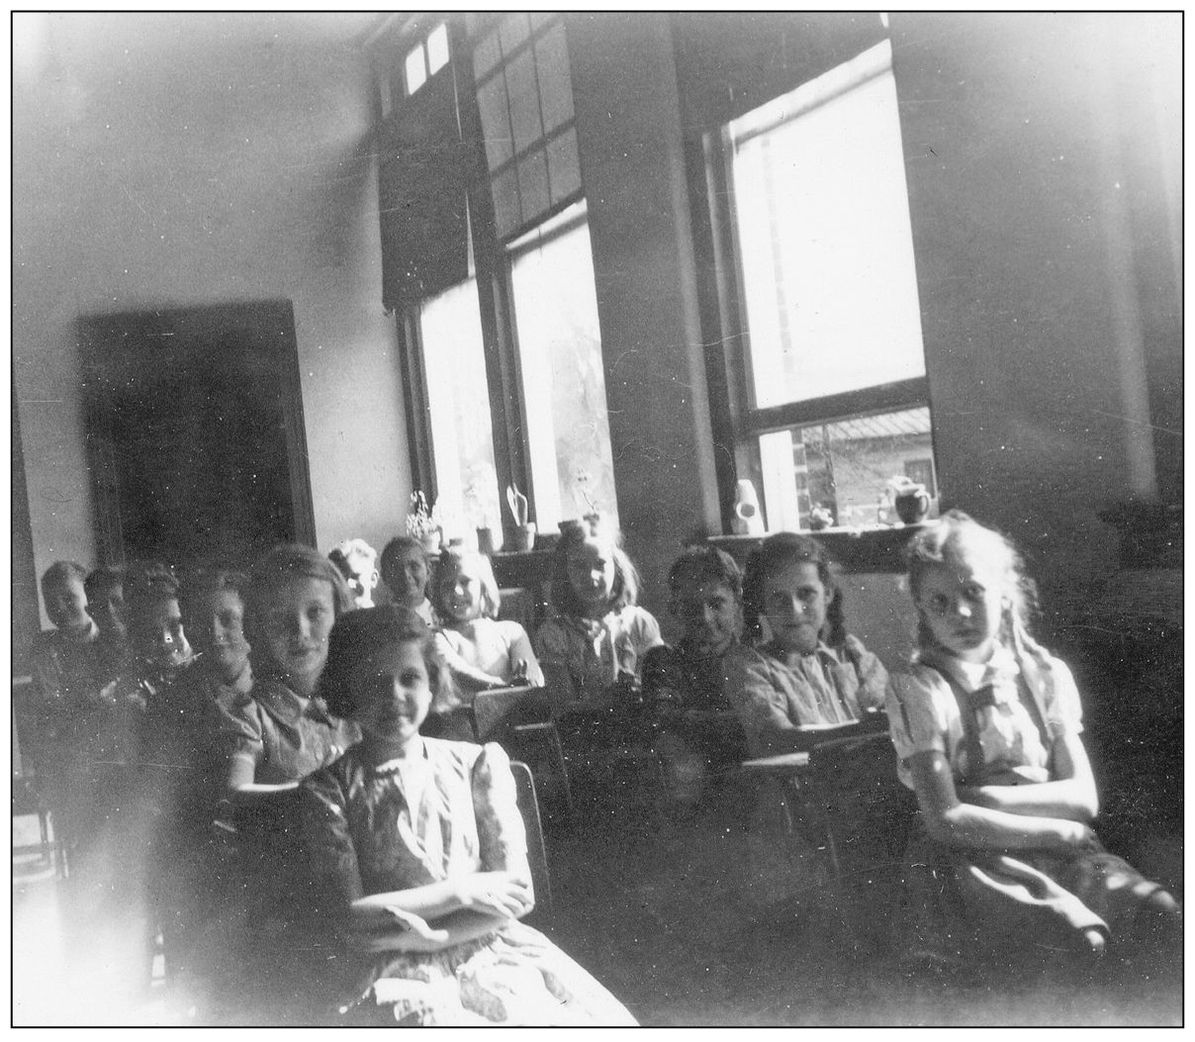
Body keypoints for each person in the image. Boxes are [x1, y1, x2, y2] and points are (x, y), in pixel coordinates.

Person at [297, 605, 637, 1025]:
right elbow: (354, 914)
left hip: (489, 947)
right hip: (393, 963)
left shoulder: (476, 764)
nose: (395, 697)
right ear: (348, 691)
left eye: (410, 678)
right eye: (375, 683)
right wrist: (463, 891)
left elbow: (518, 891)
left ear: (432, 682)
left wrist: (436, 936)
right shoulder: (330, 788)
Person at [887, 510, 1182, 972]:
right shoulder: (922, 690)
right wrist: (1050, 827)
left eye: (973, 592)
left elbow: (1083, 798)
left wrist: (971, 796)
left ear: (1004, 595)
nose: (960, 612)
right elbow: (945, 823)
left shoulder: (1042, 675)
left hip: (1058, 851)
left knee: (1160, 912)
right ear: (922, 610)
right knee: (1077, 940)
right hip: (974, 862)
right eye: (940, 602)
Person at [213, 544, 360, 799]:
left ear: (338, 614)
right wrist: (321, 795)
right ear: (259, 628)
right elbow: (236, 792)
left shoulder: (357, 703)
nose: (300, 631)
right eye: (280, 618)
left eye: (315, 613)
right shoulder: (251, 717)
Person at [725, 532, 888, 757]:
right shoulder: (749, 666)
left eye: (806, 594)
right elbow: (779, 738)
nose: (794, 609)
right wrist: (860, 730)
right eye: (779, 599)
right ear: (763, 604)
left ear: (827, 593)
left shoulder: (854, 656)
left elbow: (887, 719)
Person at [642, 545, 749, 805]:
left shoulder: (754, 662)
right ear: (675, 609)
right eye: (691, 607)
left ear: (736, 601)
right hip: (697, 790)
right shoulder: (664, 661)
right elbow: (664, 718)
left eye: (716, 603)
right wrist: (745, 721)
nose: (705, 617)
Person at [533, 518, 662, 711]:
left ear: (616, 568)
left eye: (600, 564)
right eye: (579, 566)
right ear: (565, 572)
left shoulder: (639, 623)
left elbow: (660, 688)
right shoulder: (554, 634)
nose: (591, 575)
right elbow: (564, 706)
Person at [432, 548, 544, 695]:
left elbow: (534, 681)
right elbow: (457, 673)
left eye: (465, 581)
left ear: (483, 586)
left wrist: (523, 685)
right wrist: (505, 688)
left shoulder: (511, 632)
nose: (456, 591)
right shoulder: (438, 637)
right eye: (447, 585)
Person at [85, 563, 129, 686]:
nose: (110, 611)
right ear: (90, 612)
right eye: (101, 606)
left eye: (117, 602)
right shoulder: (86, 659)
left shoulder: (148, 646)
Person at [380, 536, 436, 625]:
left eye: (414, 567)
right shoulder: (378, 622)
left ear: (428, 572)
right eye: (397, 568)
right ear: (384, 577)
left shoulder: (439, 617)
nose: (406, 575)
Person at [329, 538, 381, 609]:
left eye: (355, 577)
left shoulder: (386, 618)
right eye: (342, 579)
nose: (349, 585)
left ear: (373, 579)